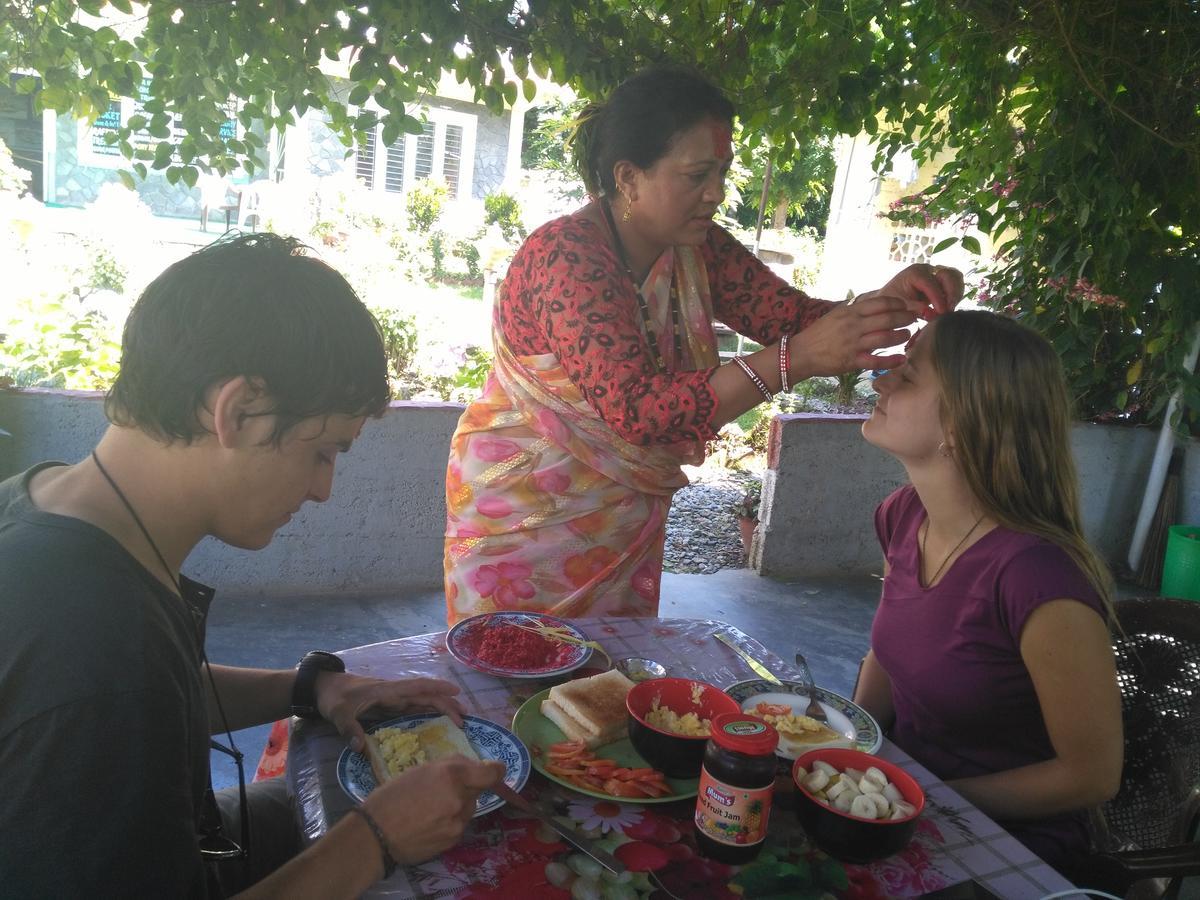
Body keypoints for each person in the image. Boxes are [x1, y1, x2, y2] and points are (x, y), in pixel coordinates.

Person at [0, 234, 504, 898]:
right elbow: (119, 695)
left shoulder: (45, 500)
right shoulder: (97, 647)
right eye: (323, 451)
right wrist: (375, 840)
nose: (323, 489)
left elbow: (159, 700)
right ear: (237, 411)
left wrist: (310, 688)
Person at [443, 66, 963, 624]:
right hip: (522, 511)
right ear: (628, 177)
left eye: (721, 173)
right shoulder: (567, 255)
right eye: (696, 176)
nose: (715, 194)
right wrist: (793, 362)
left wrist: (893, 300)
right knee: (505, 681)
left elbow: (792, 319)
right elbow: (638, 412)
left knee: (599, 686)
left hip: (617, 518)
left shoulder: (698, 248)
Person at [854, 310, 1123, 879]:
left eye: (909, 374)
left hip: (1011, 847)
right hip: (893, 804)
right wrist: (848, 749)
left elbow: (1091, 775)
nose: (882, 380)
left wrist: (924, 795)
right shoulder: (903, 515)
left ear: (963, 420)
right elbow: (887, 656)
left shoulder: (1037, 578)